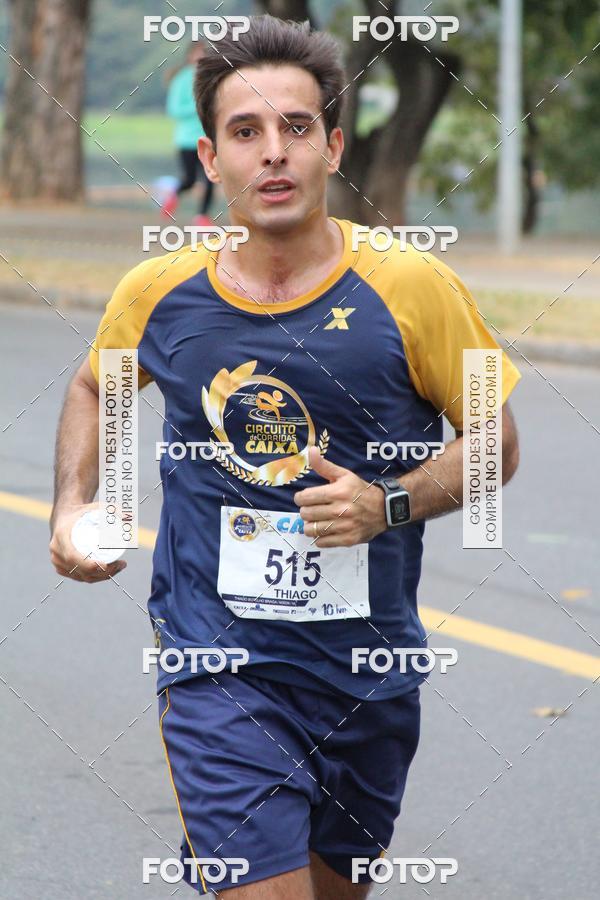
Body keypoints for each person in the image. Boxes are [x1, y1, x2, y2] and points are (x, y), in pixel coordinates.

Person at [49, 15, 521, 898]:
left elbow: (496, 442)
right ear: (211, 158)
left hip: (365, 675)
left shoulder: (414, 287)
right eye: (246, 132)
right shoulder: (159, 295)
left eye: (296, 128)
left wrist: (386, 503)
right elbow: (93, 387)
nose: (274, 153)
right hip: (216, 667)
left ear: (333, 147)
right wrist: (75, 505)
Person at [162, 41, 214, 224]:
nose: (200, 57)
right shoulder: (181, 79)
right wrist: (197, 108)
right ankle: (172, 197)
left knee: (211, 177)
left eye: (203, 54)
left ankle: (202, 216)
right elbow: (173, 109)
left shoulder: (210, 78)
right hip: (186, 140)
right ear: (190, 56)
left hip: (208, 138)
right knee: (190, 180)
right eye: (197, 53)